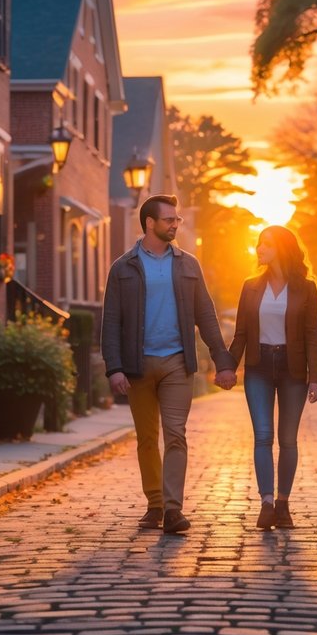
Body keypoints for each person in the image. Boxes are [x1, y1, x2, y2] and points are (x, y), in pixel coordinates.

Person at [101, 194, 236, 534]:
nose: (175, 224)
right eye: (168, 220)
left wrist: (223, 362)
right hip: (137, 366)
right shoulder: (123, 268)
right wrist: (114, 367)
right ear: (150, 223)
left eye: (177, 219)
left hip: (178, 362)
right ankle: (155, 505)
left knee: (175, 436)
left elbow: (206, 315)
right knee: (147, 439)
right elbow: (111, 322)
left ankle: (173, 510)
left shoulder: (189, 265)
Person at [228, 225, 317, 530]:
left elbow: (312, 335)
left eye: (265, 243)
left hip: (292, 368)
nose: (259, 248)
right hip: (258, 366)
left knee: (288, 439)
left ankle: (283, 504)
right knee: (263, 436)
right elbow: (241, 333)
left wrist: (315, 377)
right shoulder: (251, 286)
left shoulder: (306, 288)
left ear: (281, 248)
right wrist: (227, 366)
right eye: (257, 243)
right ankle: (266, 503)